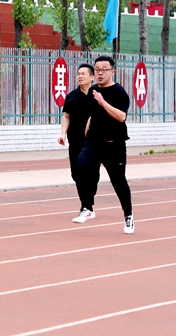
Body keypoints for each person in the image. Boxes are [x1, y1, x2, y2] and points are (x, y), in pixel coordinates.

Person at [72, 55, 135, 234]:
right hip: (93, 142)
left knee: (118, 182)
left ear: (112, 71)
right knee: (80, 167)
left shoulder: (119, 92)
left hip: (113, 145)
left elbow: (121, 116)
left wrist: (103, 102)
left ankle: (128, 215)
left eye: (104, 70)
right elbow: (93, 111)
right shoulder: (93, 90)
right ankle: (87, 208)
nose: (100, 73)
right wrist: (89, 122)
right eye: (97, 70)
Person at [58, 64, 95, 206]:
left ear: (92, 77)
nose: (80, 76)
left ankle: (87, 204)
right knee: (76, 173)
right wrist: (63, 134)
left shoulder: (97, 95)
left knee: (92, 174)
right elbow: (66, 116)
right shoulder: (71, 96)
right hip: (75, 140)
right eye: (78, 74)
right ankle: (86, 204)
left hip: (93, 140)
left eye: (83, 74)